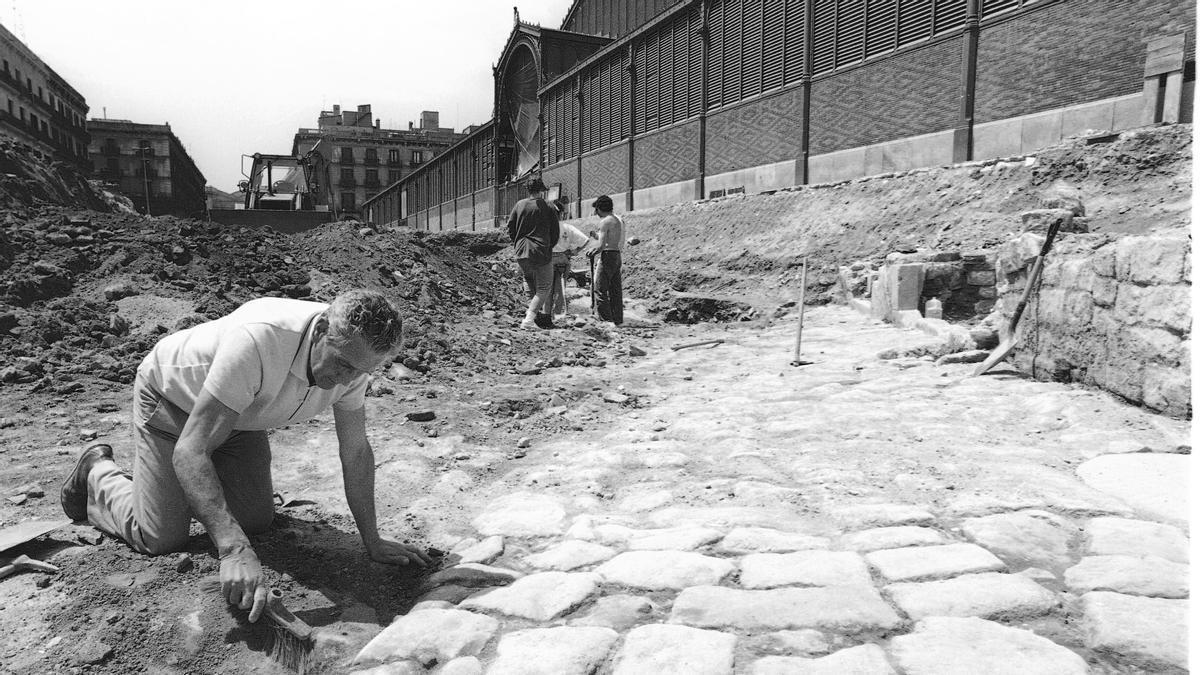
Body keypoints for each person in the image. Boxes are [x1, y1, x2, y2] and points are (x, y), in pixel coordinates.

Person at [59, 290, 433, 623]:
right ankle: (97, 474)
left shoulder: (354, 364)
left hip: (238, 416)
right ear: (320, 330)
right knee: (159, 537)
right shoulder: (259, 339)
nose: (344, 378)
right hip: (173, 401)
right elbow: (192, 449)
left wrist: (373, 539)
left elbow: (355, 452)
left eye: (359, 371)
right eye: (342, 364)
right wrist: (233, 550)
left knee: (254, 519)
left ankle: (183, 489)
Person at [506, 177, 559, 329]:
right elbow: (555, 232)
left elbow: (510, 227)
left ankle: (533, 318)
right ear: (542, 190)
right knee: (544, 287)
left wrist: (517, 242)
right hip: (540, 250)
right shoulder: (548, 206)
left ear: (527, 189)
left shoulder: (519, 205)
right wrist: (549, 246)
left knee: (529, 280)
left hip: (521, 250)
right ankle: (529, 320)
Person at [590, 194, 624, 325]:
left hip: (608, 256)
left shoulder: (604, 222)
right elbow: (609, 239)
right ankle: (617, 319)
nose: (596, 213)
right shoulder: (616, 220)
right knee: (615, 290)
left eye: (596, 210)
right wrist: (597, 235)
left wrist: (592, 251)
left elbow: (601, 245)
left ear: (599, 208)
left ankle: (606, 321)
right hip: (616, 255)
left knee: (599, 289)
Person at [550, 217, 592, 316]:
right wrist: (576, 251)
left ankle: (547, 314)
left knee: (546, 288)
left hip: (548, 259)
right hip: (563, 258)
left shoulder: (545, 227)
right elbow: (585, 240)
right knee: (560, 288)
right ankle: (558, 314)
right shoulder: (567, 227)